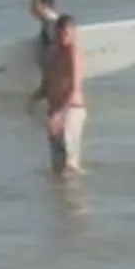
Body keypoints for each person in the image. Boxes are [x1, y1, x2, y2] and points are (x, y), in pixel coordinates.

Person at [30, 11, 88, 175]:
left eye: (66, 34)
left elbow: (74, 88)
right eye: (60, 34)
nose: (63, 38)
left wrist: (60, 115)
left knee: (70, 163)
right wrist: (33, 100)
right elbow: (46, 85)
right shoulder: (53, 54)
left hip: (71, 111)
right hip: (55, 112)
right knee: (57, 165)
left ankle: (75, 190)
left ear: (74, 33)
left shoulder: (73, 54)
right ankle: (59, 191)